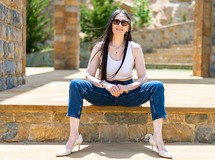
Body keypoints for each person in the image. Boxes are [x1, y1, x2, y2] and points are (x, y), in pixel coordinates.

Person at [56, 9, 172, 159]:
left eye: (124, 22)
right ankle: (74, 137)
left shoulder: (134, 48)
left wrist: (127, 87)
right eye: (116, 21)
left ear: (128, 27)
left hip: (128, 93)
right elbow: (88, 75)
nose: (120, 25)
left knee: (157, 86)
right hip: (104, 92)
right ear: (111, 24)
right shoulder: (100, 46)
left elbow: (143, 77)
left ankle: (158, 139)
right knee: (75, 84)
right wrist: (105, 84)